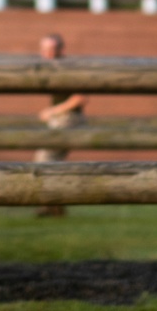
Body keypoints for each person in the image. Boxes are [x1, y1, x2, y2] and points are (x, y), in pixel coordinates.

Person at [33, 33, 87, 217]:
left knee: (45, 158)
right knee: (50, 161)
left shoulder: (66, 68)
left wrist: (52, 112)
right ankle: (55, 206)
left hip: (69, 119)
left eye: (51, 48)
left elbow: (80, 98)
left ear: (61, 50)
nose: (46, 53)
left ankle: (51, 206)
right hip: (62, 119)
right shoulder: (53, 68)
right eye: (44, 49)